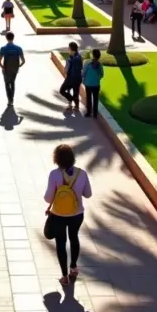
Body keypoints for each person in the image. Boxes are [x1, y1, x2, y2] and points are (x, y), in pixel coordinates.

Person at [44, 144, 93, 285]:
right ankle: (74, 267)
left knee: (61, 243)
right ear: (72, 157)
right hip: (76, 214)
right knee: (74, 238)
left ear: (56, 158)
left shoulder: (54, 174)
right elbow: (88, 194)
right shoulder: (81, 173)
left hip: (58, 215)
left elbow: (48, 198)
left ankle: (64, 276)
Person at [0, 32, 25, 106]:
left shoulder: (3, 48)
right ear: (13, 37)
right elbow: (23, 61)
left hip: (6, 69)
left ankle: (9, 100)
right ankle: (12, 98)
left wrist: (2, 67)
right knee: (12, 83)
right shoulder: (18, 48)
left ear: (6, 38)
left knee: (7, 84)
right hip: (14, 69)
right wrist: (18, 66)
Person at [60, 42, 83, 114]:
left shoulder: (77, 58)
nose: (68, 50)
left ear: (73, 50)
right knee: (62, 90)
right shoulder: (70, 57)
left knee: (76, 93)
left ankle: (76, 106)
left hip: (76, 79)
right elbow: (67, 66)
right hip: (69, 78)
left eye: (69, 49)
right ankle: (71, 100)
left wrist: (69, 62)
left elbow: (79, 67)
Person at [82, 48, 105, 118]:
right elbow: (102, 75)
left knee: (88, 98)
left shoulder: (87, 63)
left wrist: (84, 79)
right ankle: (95, 114)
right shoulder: (99, 65)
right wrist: (97, 78)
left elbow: (84, 73)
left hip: (88, 84)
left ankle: (89, 112)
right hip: (96, 85)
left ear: (92, 55)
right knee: (95, 99)